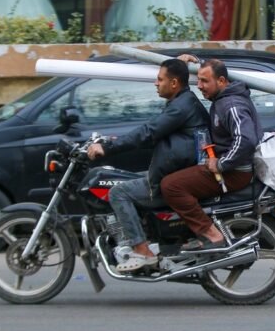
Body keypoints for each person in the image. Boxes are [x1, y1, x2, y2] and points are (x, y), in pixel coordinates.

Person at [86, 58, 208, 272]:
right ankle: (149, 238)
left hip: (177, 175)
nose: (155, 83)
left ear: (174, 83)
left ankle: (142, 251)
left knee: (118, 193)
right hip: (179, 169)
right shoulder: (183, 100)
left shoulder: (180, 107)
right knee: (130, 178)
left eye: (160, 79)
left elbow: (148, 132)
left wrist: (108, 148)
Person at [162, 57, 261, 251]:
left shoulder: (232, 104)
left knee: (171, 186)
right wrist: (187, 61)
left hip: (234, 172)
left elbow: (246, 140)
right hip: (225, 166)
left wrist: (222, 163)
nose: (199, 85)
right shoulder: (221, 99)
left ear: (222, 81)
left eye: (205, 81)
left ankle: (211, 234)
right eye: (198, 80)